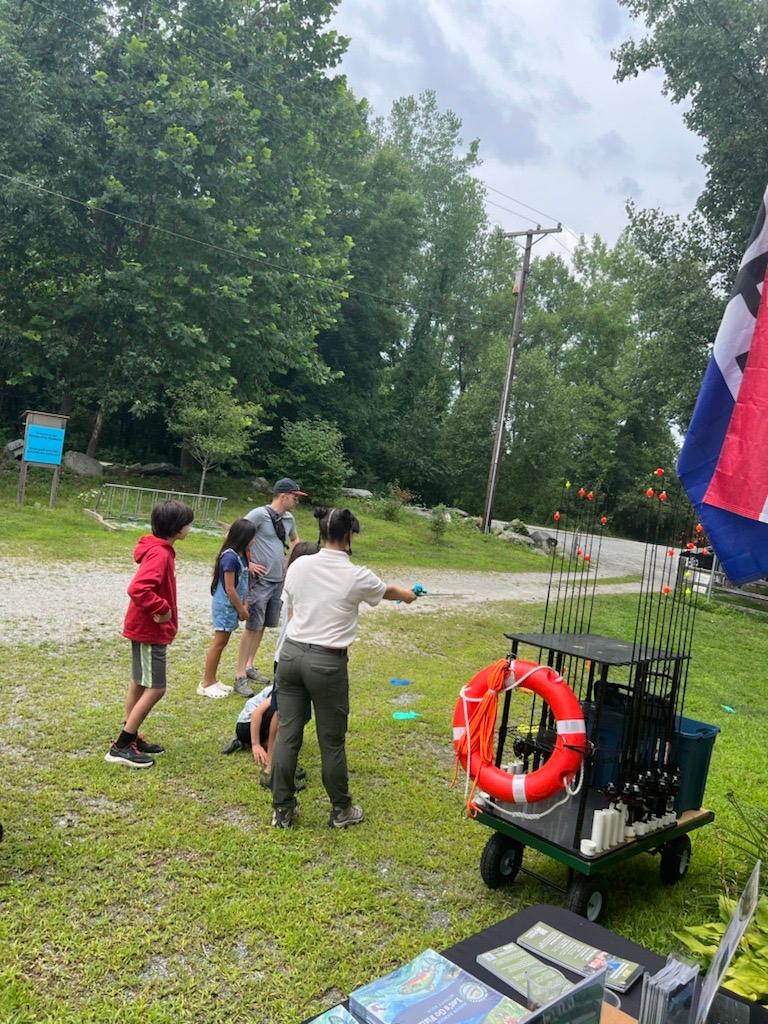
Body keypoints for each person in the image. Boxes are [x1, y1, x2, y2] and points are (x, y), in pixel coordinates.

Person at [270, 506, 419, 829]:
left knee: (287, 734)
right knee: (331, 740)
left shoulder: (299, 565)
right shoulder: (356, 575)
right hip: (327, 663)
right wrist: (407, 596)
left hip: (291, 656)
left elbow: (293, 608)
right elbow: (388, 591)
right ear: (349, 535)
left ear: (322, 532)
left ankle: (282, 808)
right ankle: (341, 809)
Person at [105, 499, 194, 768]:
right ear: (178, 529)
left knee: (140, 681)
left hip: (145, 628)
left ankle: (132, 736)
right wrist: (163, 608)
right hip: (149, 630)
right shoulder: (161, 554)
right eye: (188, 523)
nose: (190, 528)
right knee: (157, 687)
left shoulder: (159, 549)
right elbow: (139, 589)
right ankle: (121, 745)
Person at [234, 478, 306, 696]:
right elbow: (238, 535)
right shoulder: (258, 515)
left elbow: (295, 541)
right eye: (294, 497)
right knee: (252, 626)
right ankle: (239, 675)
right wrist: (248, 563)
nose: (296, 501)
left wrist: (291, 563)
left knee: (263, 624)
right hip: (259, 581)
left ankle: (249, 665)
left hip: (278, 580)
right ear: (282, 496)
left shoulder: (289, 518)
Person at [198, 518, 257, 699]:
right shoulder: (230, 557)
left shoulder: (242, 555)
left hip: (235, 605)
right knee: (218, 643)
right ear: (243, 537)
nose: (254, 540)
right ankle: (206, 683)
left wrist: (244, 604)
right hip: (226, 606)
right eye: (252, 537)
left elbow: (244, 582)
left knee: (222, 643)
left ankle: (213, 679)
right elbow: (230, 589)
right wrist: (241, 609)